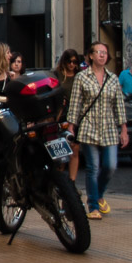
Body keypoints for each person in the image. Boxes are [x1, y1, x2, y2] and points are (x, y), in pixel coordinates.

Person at [66, 42, 129, 220]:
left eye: (105, 53)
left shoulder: (113, 78)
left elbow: (119, 105)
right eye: (99, 52)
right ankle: (93, 206)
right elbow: (75, 104)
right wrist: (71, 126)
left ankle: (99, 194)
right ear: (91, 56)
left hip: (109, 128)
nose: (102, 55)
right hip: (88, 127)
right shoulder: (81, 77)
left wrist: (124, 129)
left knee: (110, 166)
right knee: (93, 167)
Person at [54, 48, 81, 183]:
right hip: (61, 115)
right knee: (61, 151)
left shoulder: (79, 75)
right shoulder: (57, 74)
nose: (71, 64)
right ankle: (60, 181)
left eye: (74, 62)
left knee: (74, 149)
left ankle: (72, 182)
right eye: (69, 61)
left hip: (76, 115)